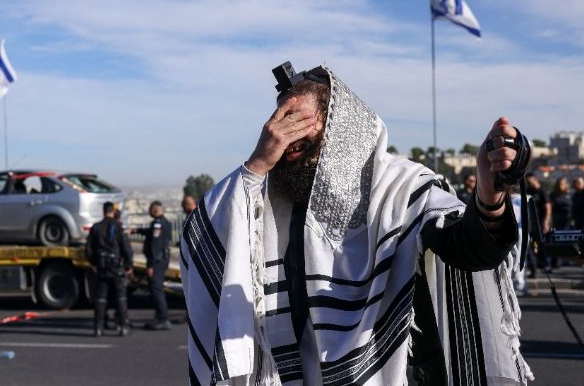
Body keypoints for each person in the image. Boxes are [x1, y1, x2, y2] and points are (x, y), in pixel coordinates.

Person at [181, 65, 531, 385]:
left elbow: (469, 248)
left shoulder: (400, 187)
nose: (283, 133)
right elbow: (203, 236)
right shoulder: (269, 200)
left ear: (341, 125)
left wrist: (489, 194)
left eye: (298, 119)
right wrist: (256, 165)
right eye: (279, 119)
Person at [86, 201, 133, 337]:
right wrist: (128, 265)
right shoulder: (117, 227)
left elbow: (88, 250)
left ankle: (98, 328)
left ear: (103, 211)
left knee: (100, 298)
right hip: (116, 268)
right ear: (113, 211)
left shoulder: (96, 227)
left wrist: (94, 263)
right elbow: (126, 248)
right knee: (121, 297)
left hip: (102, 268)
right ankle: (123, 327)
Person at [143, 200, 172, 330]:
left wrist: (150, 265)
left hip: (157, 262)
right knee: (156, 288)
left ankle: (163, 318)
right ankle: (159, 317)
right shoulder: (165, 222)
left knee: (156, 289)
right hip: (163, 260)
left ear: (154, 211)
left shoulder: (157, 225)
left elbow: (154, 246)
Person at [525, 172, 550, 274]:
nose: (529, 184)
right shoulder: (528, 191)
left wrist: (546, 222)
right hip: (531, 223)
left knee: (542, 243)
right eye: (527, 182)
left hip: (541, 221)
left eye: (530, 182)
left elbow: (548, 208)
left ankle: (545, 264)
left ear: (535, 179)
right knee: (532, 244)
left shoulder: (542, 192)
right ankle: (534, 267)